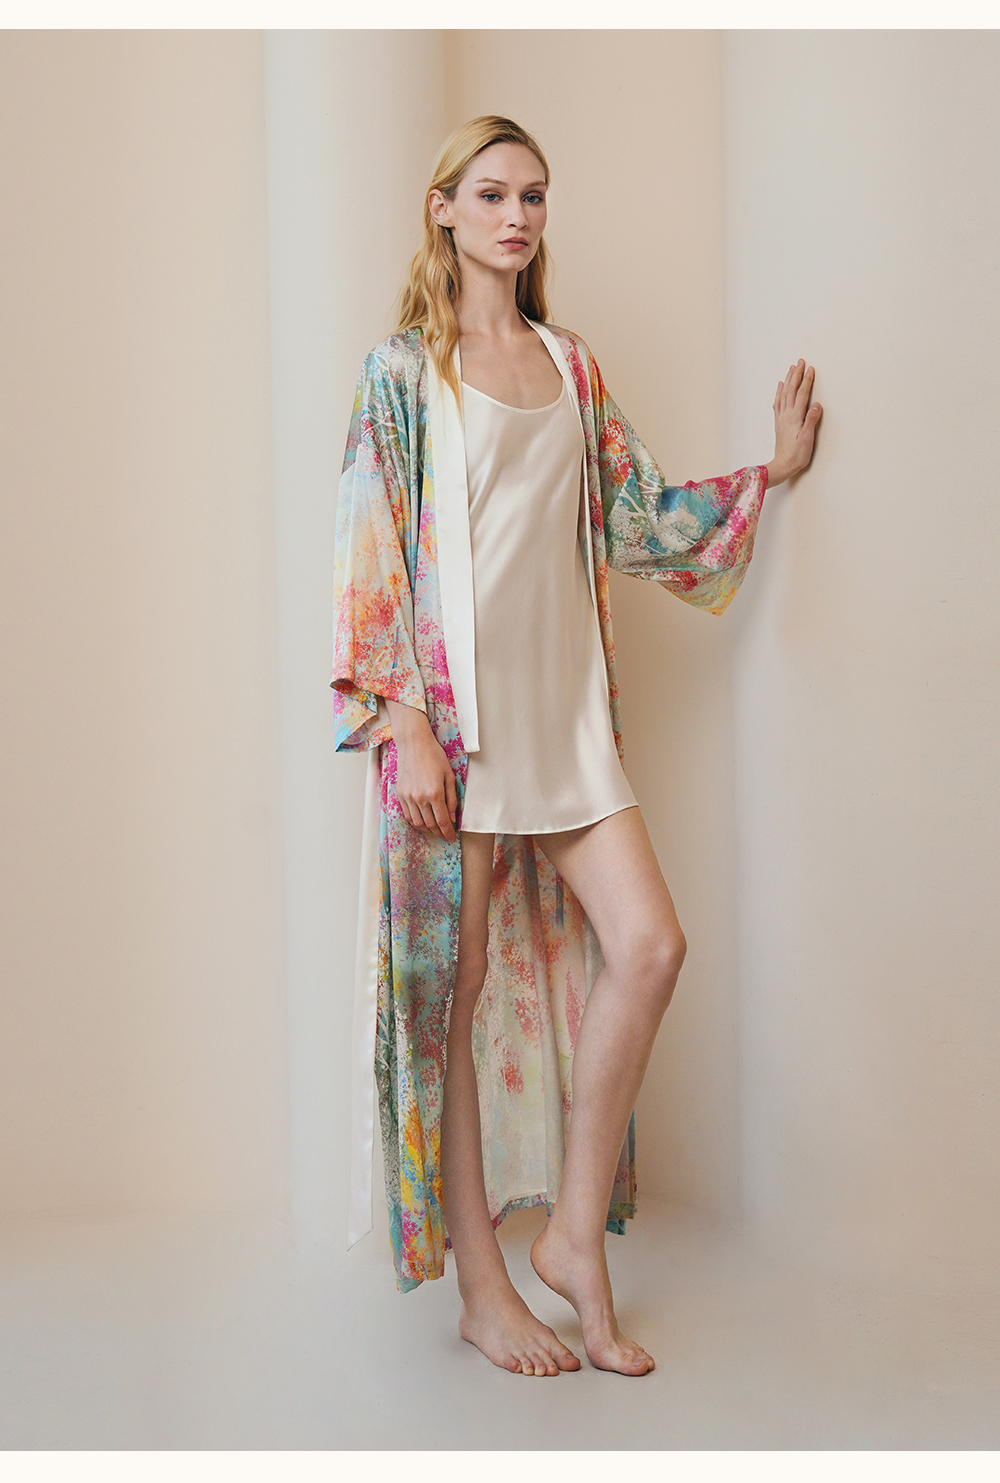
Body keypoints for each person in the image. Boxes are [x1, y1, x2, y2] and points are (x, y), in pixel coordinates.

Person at [331, 116, 820, 1379]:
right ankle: (483, 1289)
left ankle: (570, 1240)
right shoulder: (404, 373)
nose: (516, 217)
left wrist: (768, 474)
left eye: (533, 197)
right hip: (458, 736)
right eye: (491, 194)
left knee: (650, 946)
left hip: (565, 725)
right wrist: (404, 723)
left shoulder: (570, 363)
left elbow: (637, 513)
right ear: (443, 209)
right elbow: (368, 554)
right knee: (450, 1002)